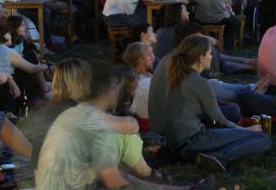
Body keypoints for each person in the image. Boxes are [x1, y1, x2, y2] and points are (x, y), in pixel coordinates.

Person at [36, 60, 180, 190]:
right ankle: (147, 172)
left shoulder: (50, 110)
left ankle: (147, 175)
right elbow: (131, 126)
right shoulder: (76, 111)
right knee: (124, 136)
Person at [163, 34, 271, 172]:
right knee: (262, 139)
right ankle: (218, 157)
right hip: (192, 141)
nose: (212, 57)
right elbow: (218, 118)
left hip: (175, 141)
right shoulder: (199, 82)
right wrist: (245, 130)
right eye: (209, 53)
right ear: (201, 58)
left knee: (231, 111)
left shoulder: (178, 75)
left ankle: (211, 152)